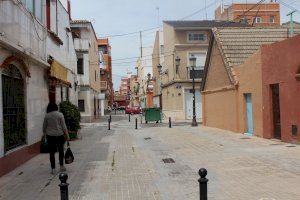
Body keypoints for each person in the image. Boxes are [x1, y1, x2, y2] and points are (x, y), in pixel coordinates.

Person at [43, 103, 70, 174]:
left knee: (52, 152)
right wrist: (67, 135)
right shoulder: (60, 114)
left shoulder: (47, 116)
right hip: (59, 135)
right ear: (56, 107)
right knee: (61, 151)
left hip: (50, 136)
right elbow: (64, 127)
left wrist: (44, 134)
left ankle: (53, 168)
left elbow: (44, 127)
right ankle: (61, 166)